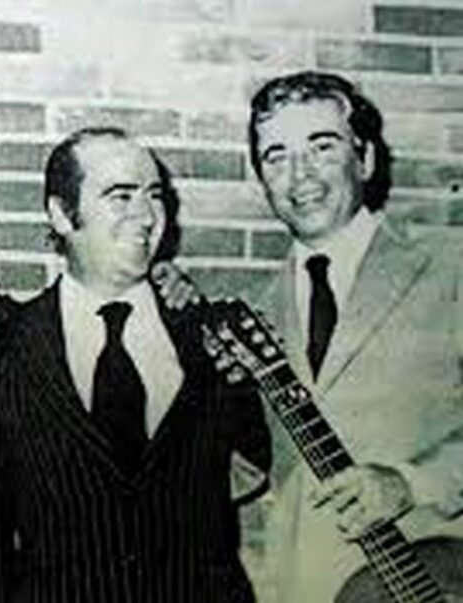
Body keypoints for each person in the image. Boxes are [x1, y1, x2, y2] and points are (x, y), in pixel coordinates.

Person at [0, 127, 271, 602]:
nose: (146, 216)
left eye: (154, 195)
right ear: (62, 214)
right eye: (120, 196)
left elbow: (251, 465)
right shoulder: (1, 348)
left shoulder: (214, 337)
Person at [248, 70, 463, 602]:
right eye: (276, 156)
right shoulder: (251, 316)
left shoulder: (450, 268)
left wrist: (411, 483)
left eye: (322, 147)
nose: (300, 175)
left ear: (364, 159)